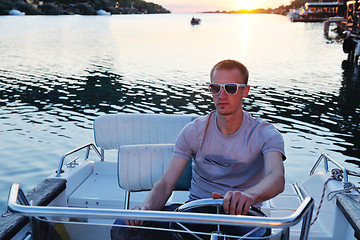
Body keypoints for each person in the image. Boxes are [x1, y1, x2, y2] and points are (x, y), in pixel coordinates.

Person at [112, 59, 286, 239]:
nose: (222, 95)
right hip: (195, 213)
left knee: (260, 235)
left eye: (231, 88)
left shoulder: (265, 133)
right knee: (123, 227)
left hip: (243, 217)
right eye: (215, 88)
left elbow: (276, 177)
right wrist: (144, 211)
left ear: (245, 91)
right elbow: (166, 184)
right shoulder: (193, 131)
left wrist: (249, 196)